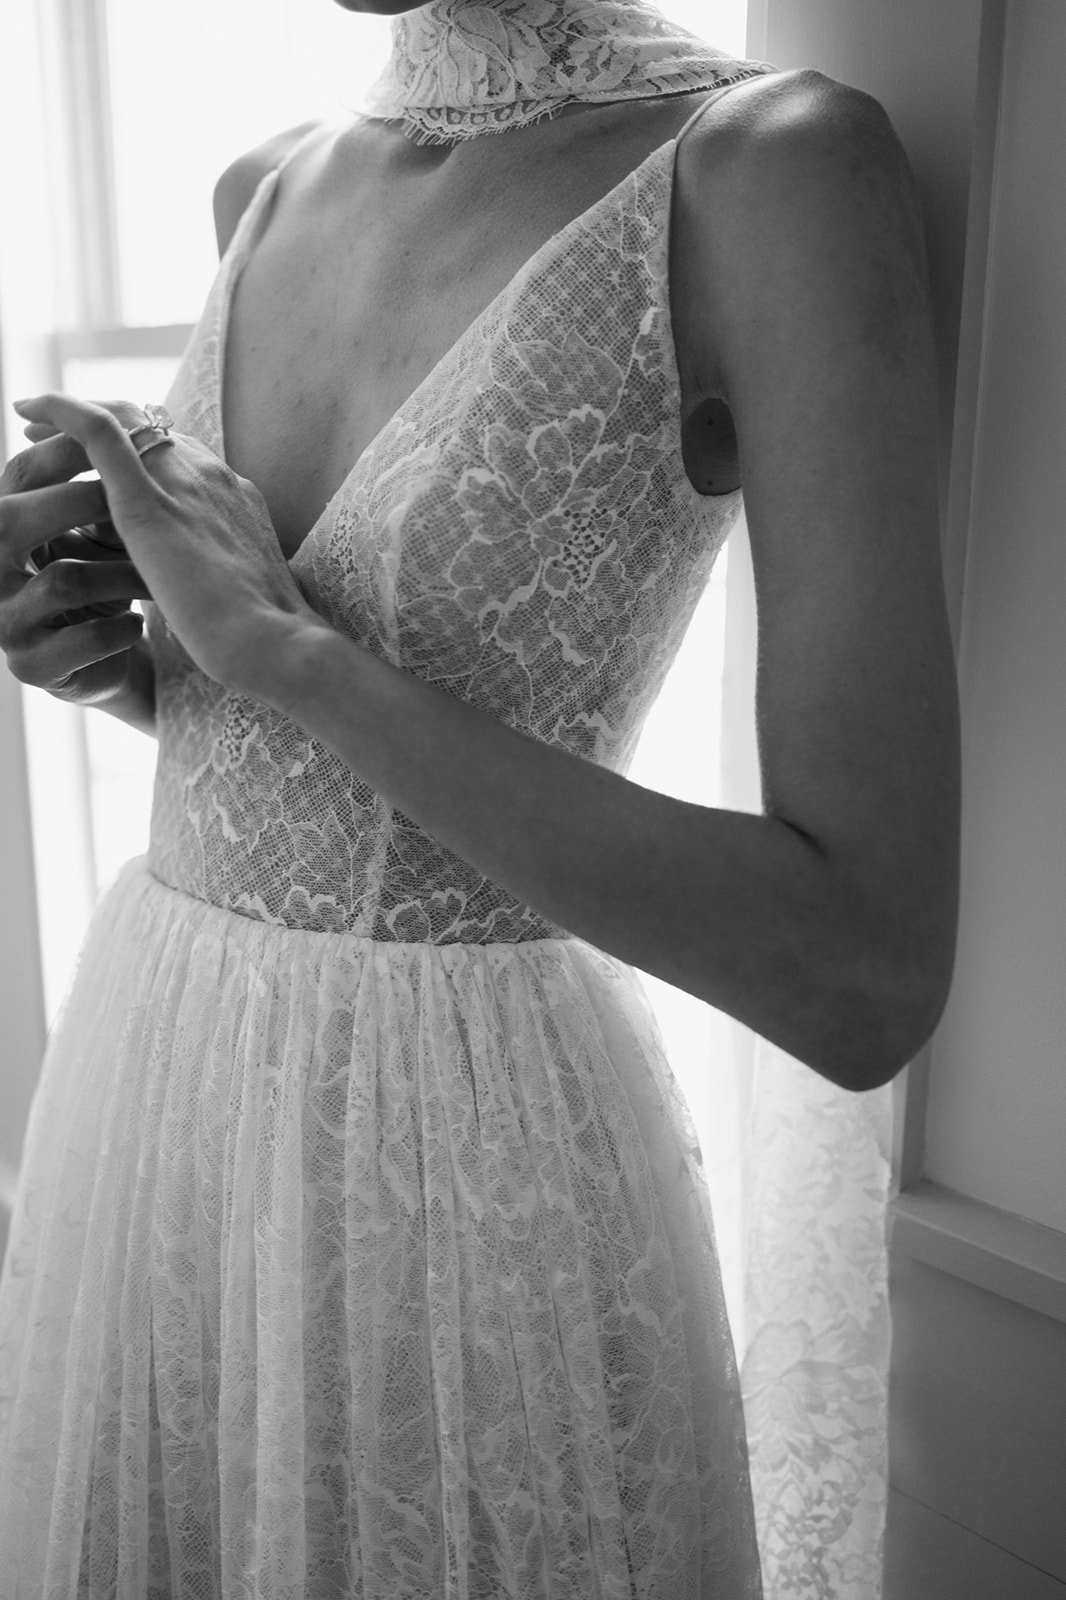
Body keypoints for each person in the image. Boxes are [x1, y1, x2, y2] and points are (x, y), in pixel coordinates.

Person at [0, 0, 960, 1592]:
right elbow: (306, 749)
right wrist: (130, 664)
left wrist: (280, 652)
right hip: (160, 1085)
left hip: (463, 1166)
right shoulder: (267, 183)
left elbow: (859, 976)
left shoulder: (765, 172)